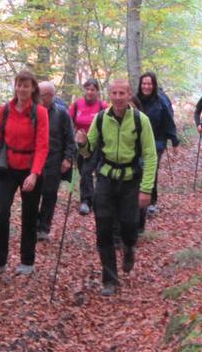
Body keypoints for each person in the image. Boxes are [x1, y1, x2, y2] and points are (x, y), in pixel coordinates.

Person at [77, 79, 157, 296]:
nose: (118, 97)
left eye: (122, 93)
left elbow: (150, 156)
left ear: (130, 95)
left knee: (129, 225)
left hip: (131, 180)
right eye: (114, 93)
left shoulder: (141, 121)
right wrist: (82, 143)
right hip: (105, 178)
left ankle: (129, 247)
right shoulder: (101, 118)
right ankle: (110, 279)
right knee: (103, 229)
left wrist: (146, 189)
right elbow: (88, 151)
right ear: (109, 95)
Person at [0, 69, 50, 278]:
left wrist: (34, 174)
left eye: (26, 85)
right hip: (7, 166)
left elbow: (43, 145)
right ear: (15, 86)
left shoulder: (40, 112)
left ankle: (27, 260)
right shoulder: (6, 109)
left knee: (29, 214)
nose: (22, 88)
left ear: (33, 88)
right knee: (1, 212)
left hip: (30, 167)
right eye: (19, 84)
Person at [134, 72, 179, 230]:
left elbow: (169, 122)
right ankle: (137, 207)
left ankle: (150, 202)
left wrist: (174, 141)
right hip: (136, 144)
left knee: (149, 172)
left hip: (156, 143)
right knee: (137, 176)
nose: (146, 86)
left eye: (149, 84)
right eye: (144, 84)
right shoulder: (134, 101)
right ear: (140, 85)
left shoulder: (160, 102)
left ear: (153, 85)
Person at [35, 82, 76, 242]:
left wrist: (67, 158)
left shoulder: (62, 114)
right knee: (32, 194)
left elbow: (70, 139)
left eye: (42, 94)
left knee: (50, 194)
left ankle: (44, 227)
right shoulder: (32, 112)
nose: (38, 97)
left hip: (54, 159)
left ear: (51, 96)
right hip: (35, 159)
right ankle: (33, 223)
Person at [68, 80, 106, 215]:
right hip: (79, 144)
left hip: (96, 145)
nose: (90, 92)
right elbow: (68, 122)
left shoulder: (102, 106)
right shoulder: (77, 105)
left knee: (87, 171)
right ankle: (87, 197)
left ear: (97, 91)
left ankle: (87, 201)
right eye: (87, 89)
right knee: (84, 173)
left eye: (93, 89)